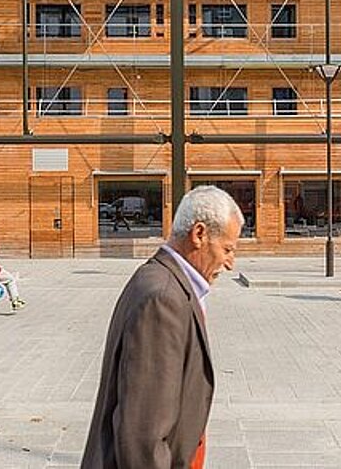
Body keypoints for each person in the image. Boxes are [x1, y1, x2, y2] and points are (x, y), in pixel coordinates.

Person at [81, 185, 243, 469]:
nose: (230, 263)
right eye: (227, 249)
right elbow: (144, 434)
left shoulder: (162, 280)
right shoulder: (163, 297)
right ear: (199, 234)